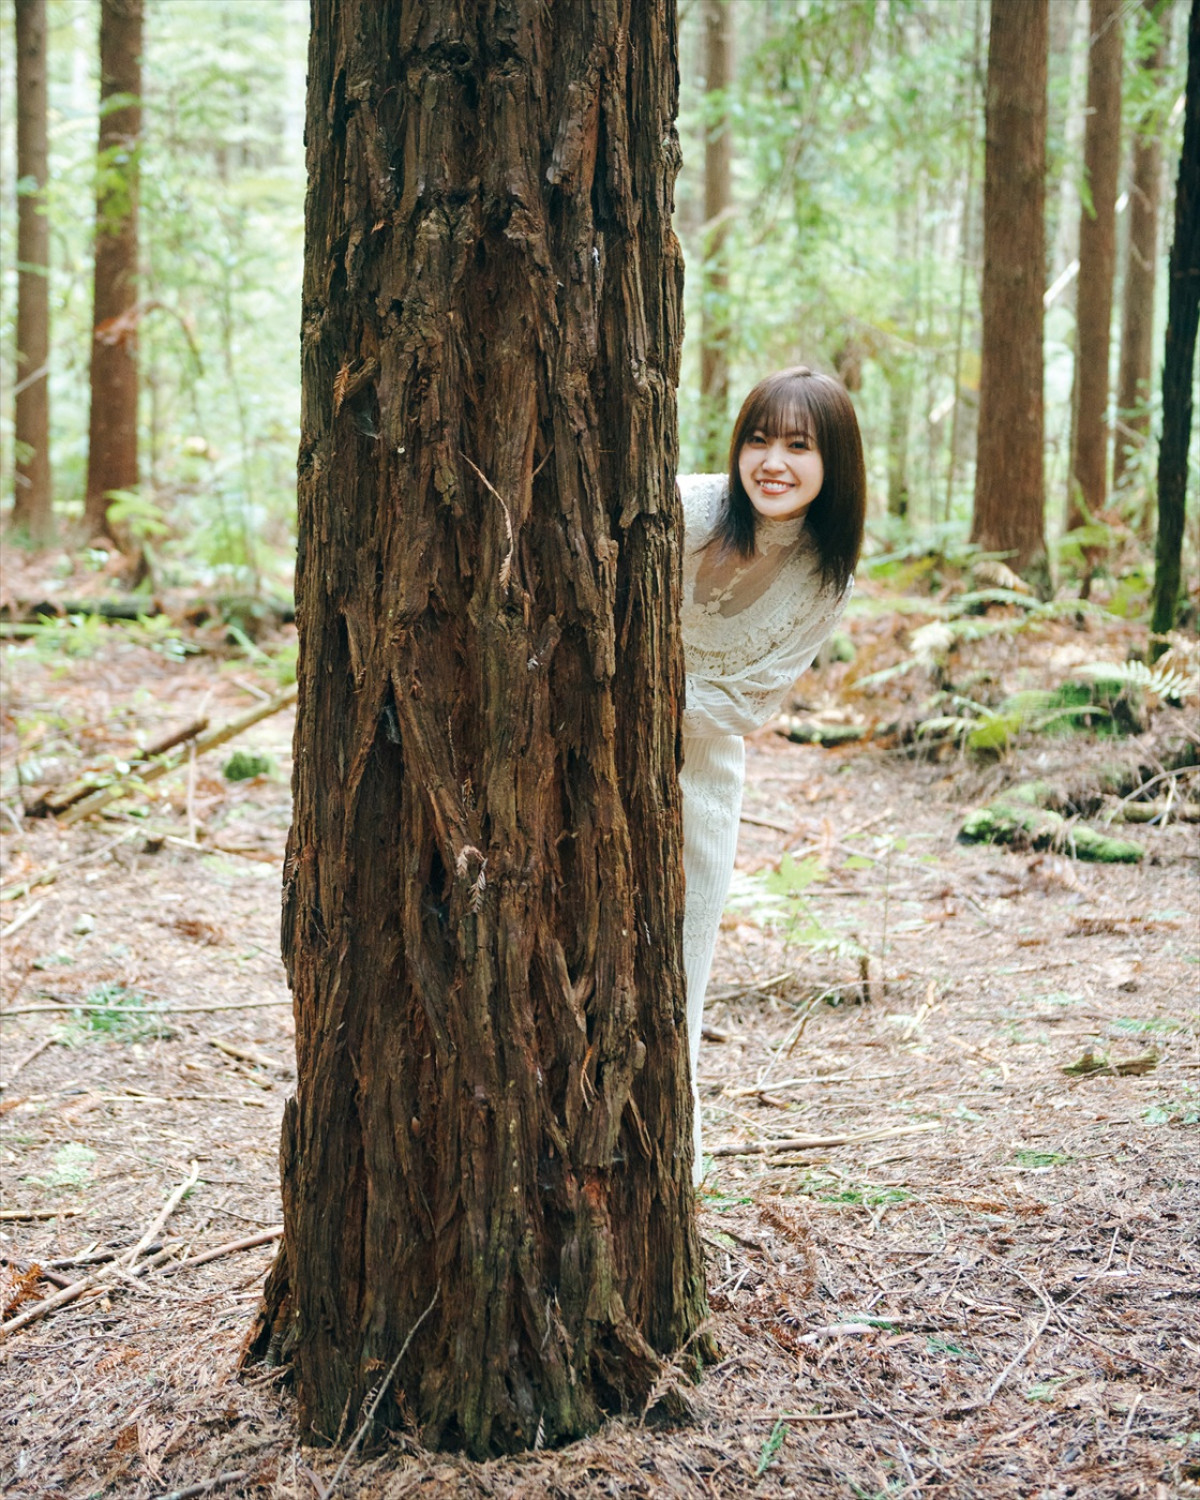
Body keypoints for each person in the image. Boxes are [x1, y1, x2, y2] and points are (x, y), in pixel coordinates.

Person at [678, 365, 866, 1181]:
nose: (773, 462)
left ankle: (668, 1162)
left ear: (834, 463)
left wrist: (635, 689)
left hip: (701, 779)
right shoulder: (689, 508)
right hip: (575, 759)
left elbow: (747, 703)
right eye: (759, 439)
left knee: (679, 972)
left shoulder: (824, 574)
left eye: (799, 445)